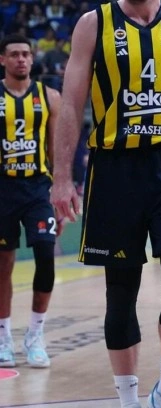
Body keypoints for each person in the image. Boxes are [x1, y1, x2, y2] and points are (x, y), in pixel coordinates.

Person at [49, 1, 161, 407]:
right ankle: (128, 401)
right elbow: (71, 104)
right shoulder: (93, 24)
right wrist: (61, 178)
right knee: (120, 293)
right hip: (115, 170)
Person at [0, 34, 62, 369]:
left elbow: (56, 148)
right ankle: (3, 338)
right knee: (3, 266)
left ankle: (35, 336)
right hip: (3, 189)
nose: (21, 59)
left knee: (46, 259)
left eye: (26, 53)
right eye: (14, 54)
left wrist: (62, 191)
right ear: (2, 60)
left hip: (38, 188)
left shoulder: (49, 97)